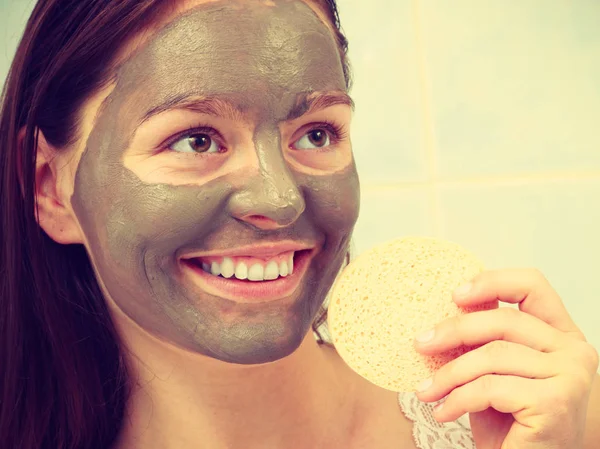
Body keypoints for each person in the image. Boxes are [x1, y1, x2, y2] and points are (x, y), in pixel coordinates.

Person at [1, 0, 599, 448]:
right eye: (195, 138)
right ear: (50, 190)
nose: (281, 200)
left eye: (316, 133)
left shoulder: (532, 425)